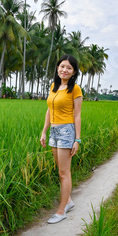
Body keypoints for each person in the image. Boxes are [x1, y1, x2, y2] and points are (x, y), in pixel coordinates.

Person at [40, 54, 83, 224]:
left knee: (64, 173)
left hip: (66, 131)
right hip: (54, 131)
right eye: (62, 66)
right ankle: (69, 201)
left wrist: (77, 139)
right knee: (60, 169)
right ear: (57, 68)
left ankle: (61, 211)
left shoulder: (75, 89)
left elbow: (77, 115)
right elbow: (49, 110)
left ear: (73, 72)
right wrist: (44, 131)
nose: (64, 70)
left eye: (69, 68)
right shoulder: (53, 87)